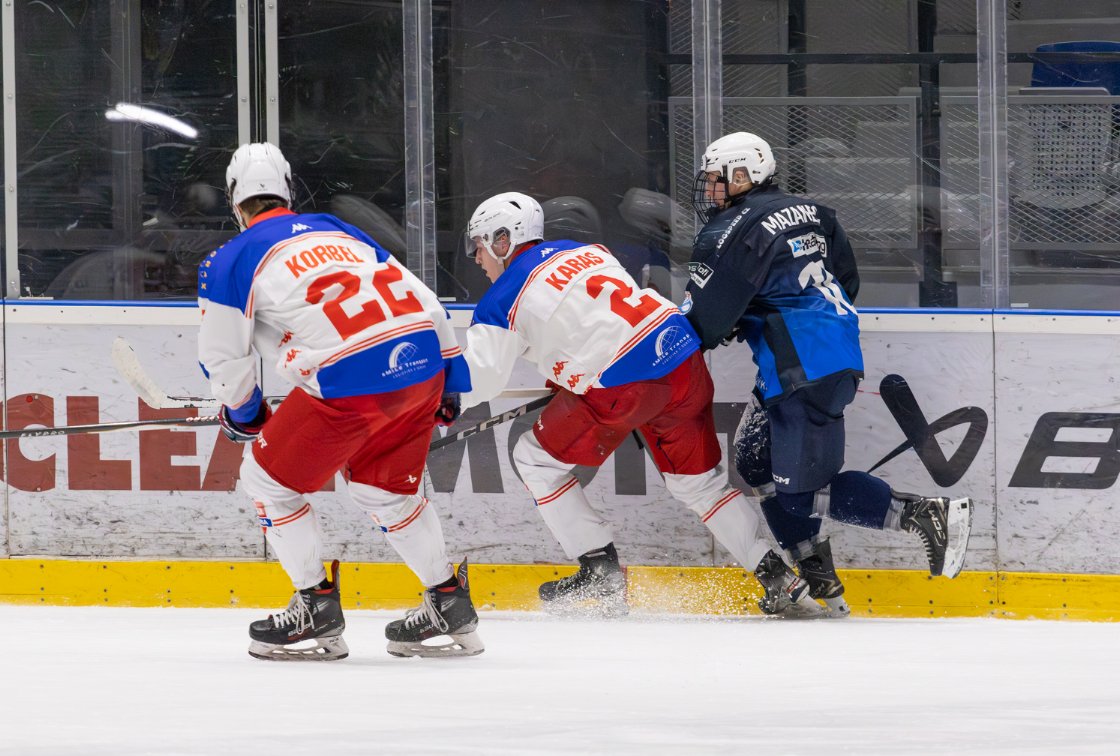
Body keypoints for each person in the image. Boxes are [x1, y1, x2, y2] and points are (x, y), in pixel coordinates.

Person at [457, 191, 809, 616]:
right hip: (681, 357)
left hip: (627, 384)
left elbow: (482, 378)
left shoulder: (500, 300)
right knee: (699, 485)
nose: (477, 258)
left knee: (534, 459)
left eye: (479, 245)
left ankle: (599, 572)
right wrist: (569, 373)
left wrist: (439, 404)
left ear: (503, 240)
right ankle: (778, 577)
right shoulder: (585, 250)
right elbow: (594, 317)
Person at [198, 143, 482, 659]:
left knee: (266, 481)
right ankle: (448, 601)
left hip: (352, 380)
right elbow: (421, 296)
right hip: (419, 363)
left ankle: (315, 608)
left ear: (234, 200)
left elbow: (223, 356)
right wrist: (451, 379)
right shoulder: (336, 228)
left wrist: (244, 414)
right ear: (288, 190)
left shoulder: (230, 258)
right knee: (384, 491)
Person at [684, 132, 974, 617]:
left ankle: (925, 514)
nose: (711, 189)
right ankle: (818, 577)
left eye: (718, 179)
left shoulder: (731, 228)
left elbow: (703, 321)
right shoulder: (815, 212)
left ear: (745, 175)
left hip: (800, 370)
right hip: (823, 355)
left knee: (799, 497)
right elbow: (847, 279)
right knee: (755, 460)